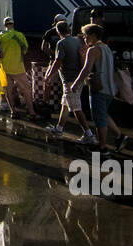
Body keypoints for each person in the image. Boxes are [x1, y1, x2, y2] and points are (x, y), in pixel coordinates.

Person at [71, 23, 125, 153]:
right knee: (103, 114)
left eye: (85, 35)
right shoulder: (106, 48)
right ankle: (120, 136)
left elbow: (86, 69)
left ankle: (103, 147)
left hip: (99, 88)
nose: (84, 38)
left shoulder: (93, 50)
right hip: (110, 89)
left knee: (99, 119)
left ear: (93, 36)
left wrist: (76, 83)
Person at [43, 21, 90, 140]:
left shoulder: (61, 43)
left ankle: (89, 134)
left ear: (58, 31)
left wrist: (48, 75)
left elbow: (58, 61)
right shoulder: (77, 41)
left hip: (69, 80)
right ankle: (59, 129)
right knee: (65, 104)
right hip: (77, 78)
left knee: (76, 108)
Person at [0, 17, 32, 118]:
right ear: (13, 24)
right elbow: (25, 48)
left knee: (8, 91)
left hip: (5, 68)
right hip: (18, 68)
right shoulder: (19, 35)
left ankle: (13, 111)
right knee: (26, 90)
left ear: (4, 25)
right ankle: (31, 112)